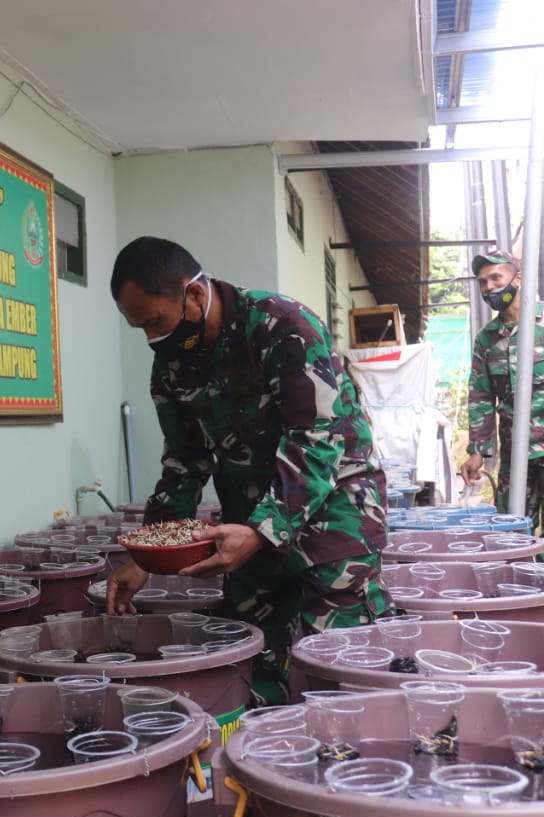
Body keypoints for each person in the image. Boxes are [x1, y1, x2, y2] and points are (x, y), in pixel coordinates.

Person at [107, 236, 393, 705]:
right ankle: (261, 759)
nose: (152, 338)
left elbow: (316, 440)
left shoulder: (284, 327)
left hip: (335, 512)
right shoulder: (172, 366)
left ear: (194, 295)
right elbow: (185, 461)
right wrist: (145, 557)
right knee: (248, 655)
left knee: (338, 667)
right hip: (250, 521)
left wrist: (262, 531)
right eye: (140, 328)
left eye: (156, 322)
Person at [459, 247, 544, 532]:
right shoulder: (487, 339)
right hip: (515, 454)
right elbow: (480, 396)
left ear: (518, 279)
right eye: (483, 282)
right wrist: (477, 451)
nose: (490, 287)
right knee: (512, 533)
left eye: (496, 277)